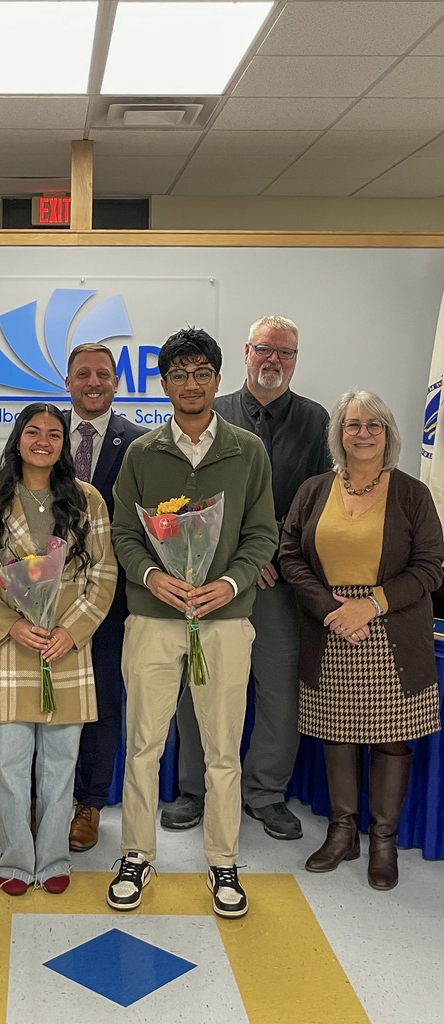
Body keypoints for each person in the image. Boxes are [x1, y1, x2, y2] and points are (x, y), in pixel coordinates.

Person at [109, 328, 277, 919]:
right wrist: (154, 579)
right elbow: (124, 534)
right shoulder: (141, 453)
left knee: (222, 748)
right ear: (163, 383)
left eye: (202, 373)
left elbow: (262, 534)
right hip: (154, 618)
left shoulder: (247, 450)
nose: (190, 385)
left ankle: (223, 861)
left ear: (217, 378)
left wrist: (228, 585)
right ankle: (136, 853)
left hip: (225, 619)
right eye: (178, 375)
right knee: (143, 745)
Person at [164, 315, 332, 841]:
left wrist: (275, 555)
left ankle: (264, 793)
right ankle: (195, 789)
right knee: (200, 685)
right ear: (246, 353)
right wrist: (240, 559)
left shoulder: (315, 419)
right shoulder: (214, 411)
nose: (273, 361)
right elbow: (193, 497)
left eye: (284, 353)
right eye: (264, 350)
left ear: (295, 360)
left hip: (282, 582)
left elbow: (321, 501)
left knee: (279, 691)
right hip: (213, 578)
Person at [279, 390, 443, 891]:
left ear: (388, 433)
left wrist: (369, 604)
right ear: (340, 434)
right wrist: (333, 609)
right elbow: (289, 556)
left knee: (392, 740)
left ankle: (384, 841)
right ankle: (343, 832)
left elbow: (430, 566)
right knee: (337, 732)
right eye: (353, 424)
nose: (364, 433)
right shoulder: (313, 490)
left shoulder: (412, 493)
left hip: (389, 628)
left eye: (374, 424)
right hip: (331, 628)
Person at [0, 403, 116, 895]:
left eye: (53, 433)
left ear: (65, 443)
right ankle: (14, 861)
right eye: (33, 432)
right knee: (7, 765)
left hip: (65, 649)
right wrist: (9, 625)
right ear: (18, 439)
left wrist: (73, 631)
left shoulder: (88, 501)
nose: (43, 440)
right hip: (8, 650)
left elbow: (103, 574)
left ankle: (53, 858)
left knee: (60, 763)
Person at [63, 342, 149, 853]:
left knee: (102, 703)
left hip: (113, 601)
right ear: (68, 380)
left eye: (103, 374)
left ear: (117, 383)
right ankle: (44, 795)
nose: (93, 382)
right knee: (44, 700)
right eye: (83, 374)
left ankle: (89, 802)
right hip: (43, 600)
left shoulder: (139, 444)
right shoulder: (42, 434)